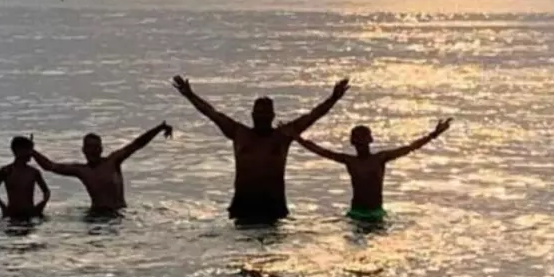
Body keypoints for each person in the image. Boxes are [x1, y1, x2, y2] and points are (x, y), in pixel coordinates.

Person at [172, 75, 350, 223]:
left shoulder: (283, 136)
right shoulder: (238, 132)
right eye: (259, 112)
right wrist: (189, 95)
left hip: (273, 205)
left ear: (273, 116)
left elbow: (313, 115)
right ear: (252, 114)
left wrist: (333, 98)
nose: (262, 116)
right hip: (244, 204)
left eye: (266, 113)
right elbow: (211, 112)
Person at [293, 119, 452, 221]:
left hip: (376, 213)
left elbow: (410, 148)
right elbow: (321, 151)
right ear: (352, 142)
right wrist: (297, 138)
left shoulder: (380, 158)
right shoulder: (350, 161)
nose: (361, 142)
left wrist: (434, 134)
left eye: (363, 138)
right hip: (356, 213)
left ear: (370, 140)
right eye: (357, 139)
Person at [32, 122, 173, 213]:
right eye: (89, 147)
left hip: (118, 213)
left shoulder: (113, 161)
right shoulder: (82, 170)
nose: (92, 151)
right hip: (95, 215)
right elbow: (49, 166)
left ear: (101, 149)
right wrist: (31, 151)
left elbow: (137, 144)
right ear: (83, 150)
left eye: (95, 147)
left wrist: (159, 128)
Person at [0, 136, 50, 220]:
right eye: (28, 150)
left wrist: (41, 205)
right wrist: (3, 207)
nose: (31, 153)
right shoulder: (6, 171)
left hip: (30, 213)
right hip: (12, 213)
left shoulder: (34, 172)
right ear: (18, 151)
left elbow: (46, 192)